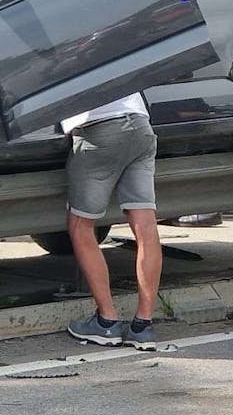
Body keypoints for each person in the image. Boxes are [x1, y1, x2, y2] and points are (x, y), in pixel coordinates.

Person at [63, 92, 163, 351]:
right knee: (145, 226)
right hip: (141, 126)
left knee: (80, 226)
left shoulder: (63, 51)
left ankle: (106, 321)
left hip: (98, 129)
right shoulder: (111, 49)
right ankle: (143, 325)